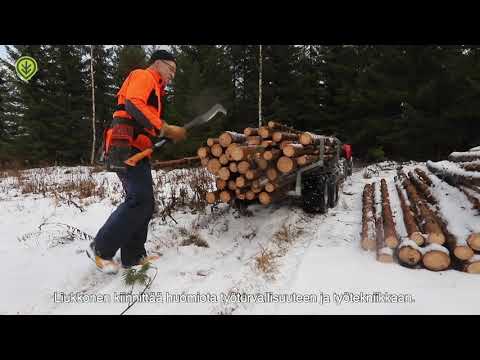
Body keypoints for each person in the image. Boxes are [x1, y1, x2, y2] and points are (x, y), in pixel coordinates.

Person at [87, 50, 186, 274]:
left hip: (137, 148)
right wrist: (164, 128)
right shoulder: (143, 75)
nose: (172, 75)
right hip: (125, 145)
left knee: (145, 202)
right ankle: (100, 249)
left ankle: (133, 255)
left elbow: (144, 119)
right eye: (171, 69)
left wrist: (163, 134)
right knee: (139, 200)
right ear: (158, 64)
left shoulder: (156, 89)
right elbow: (133, 104)